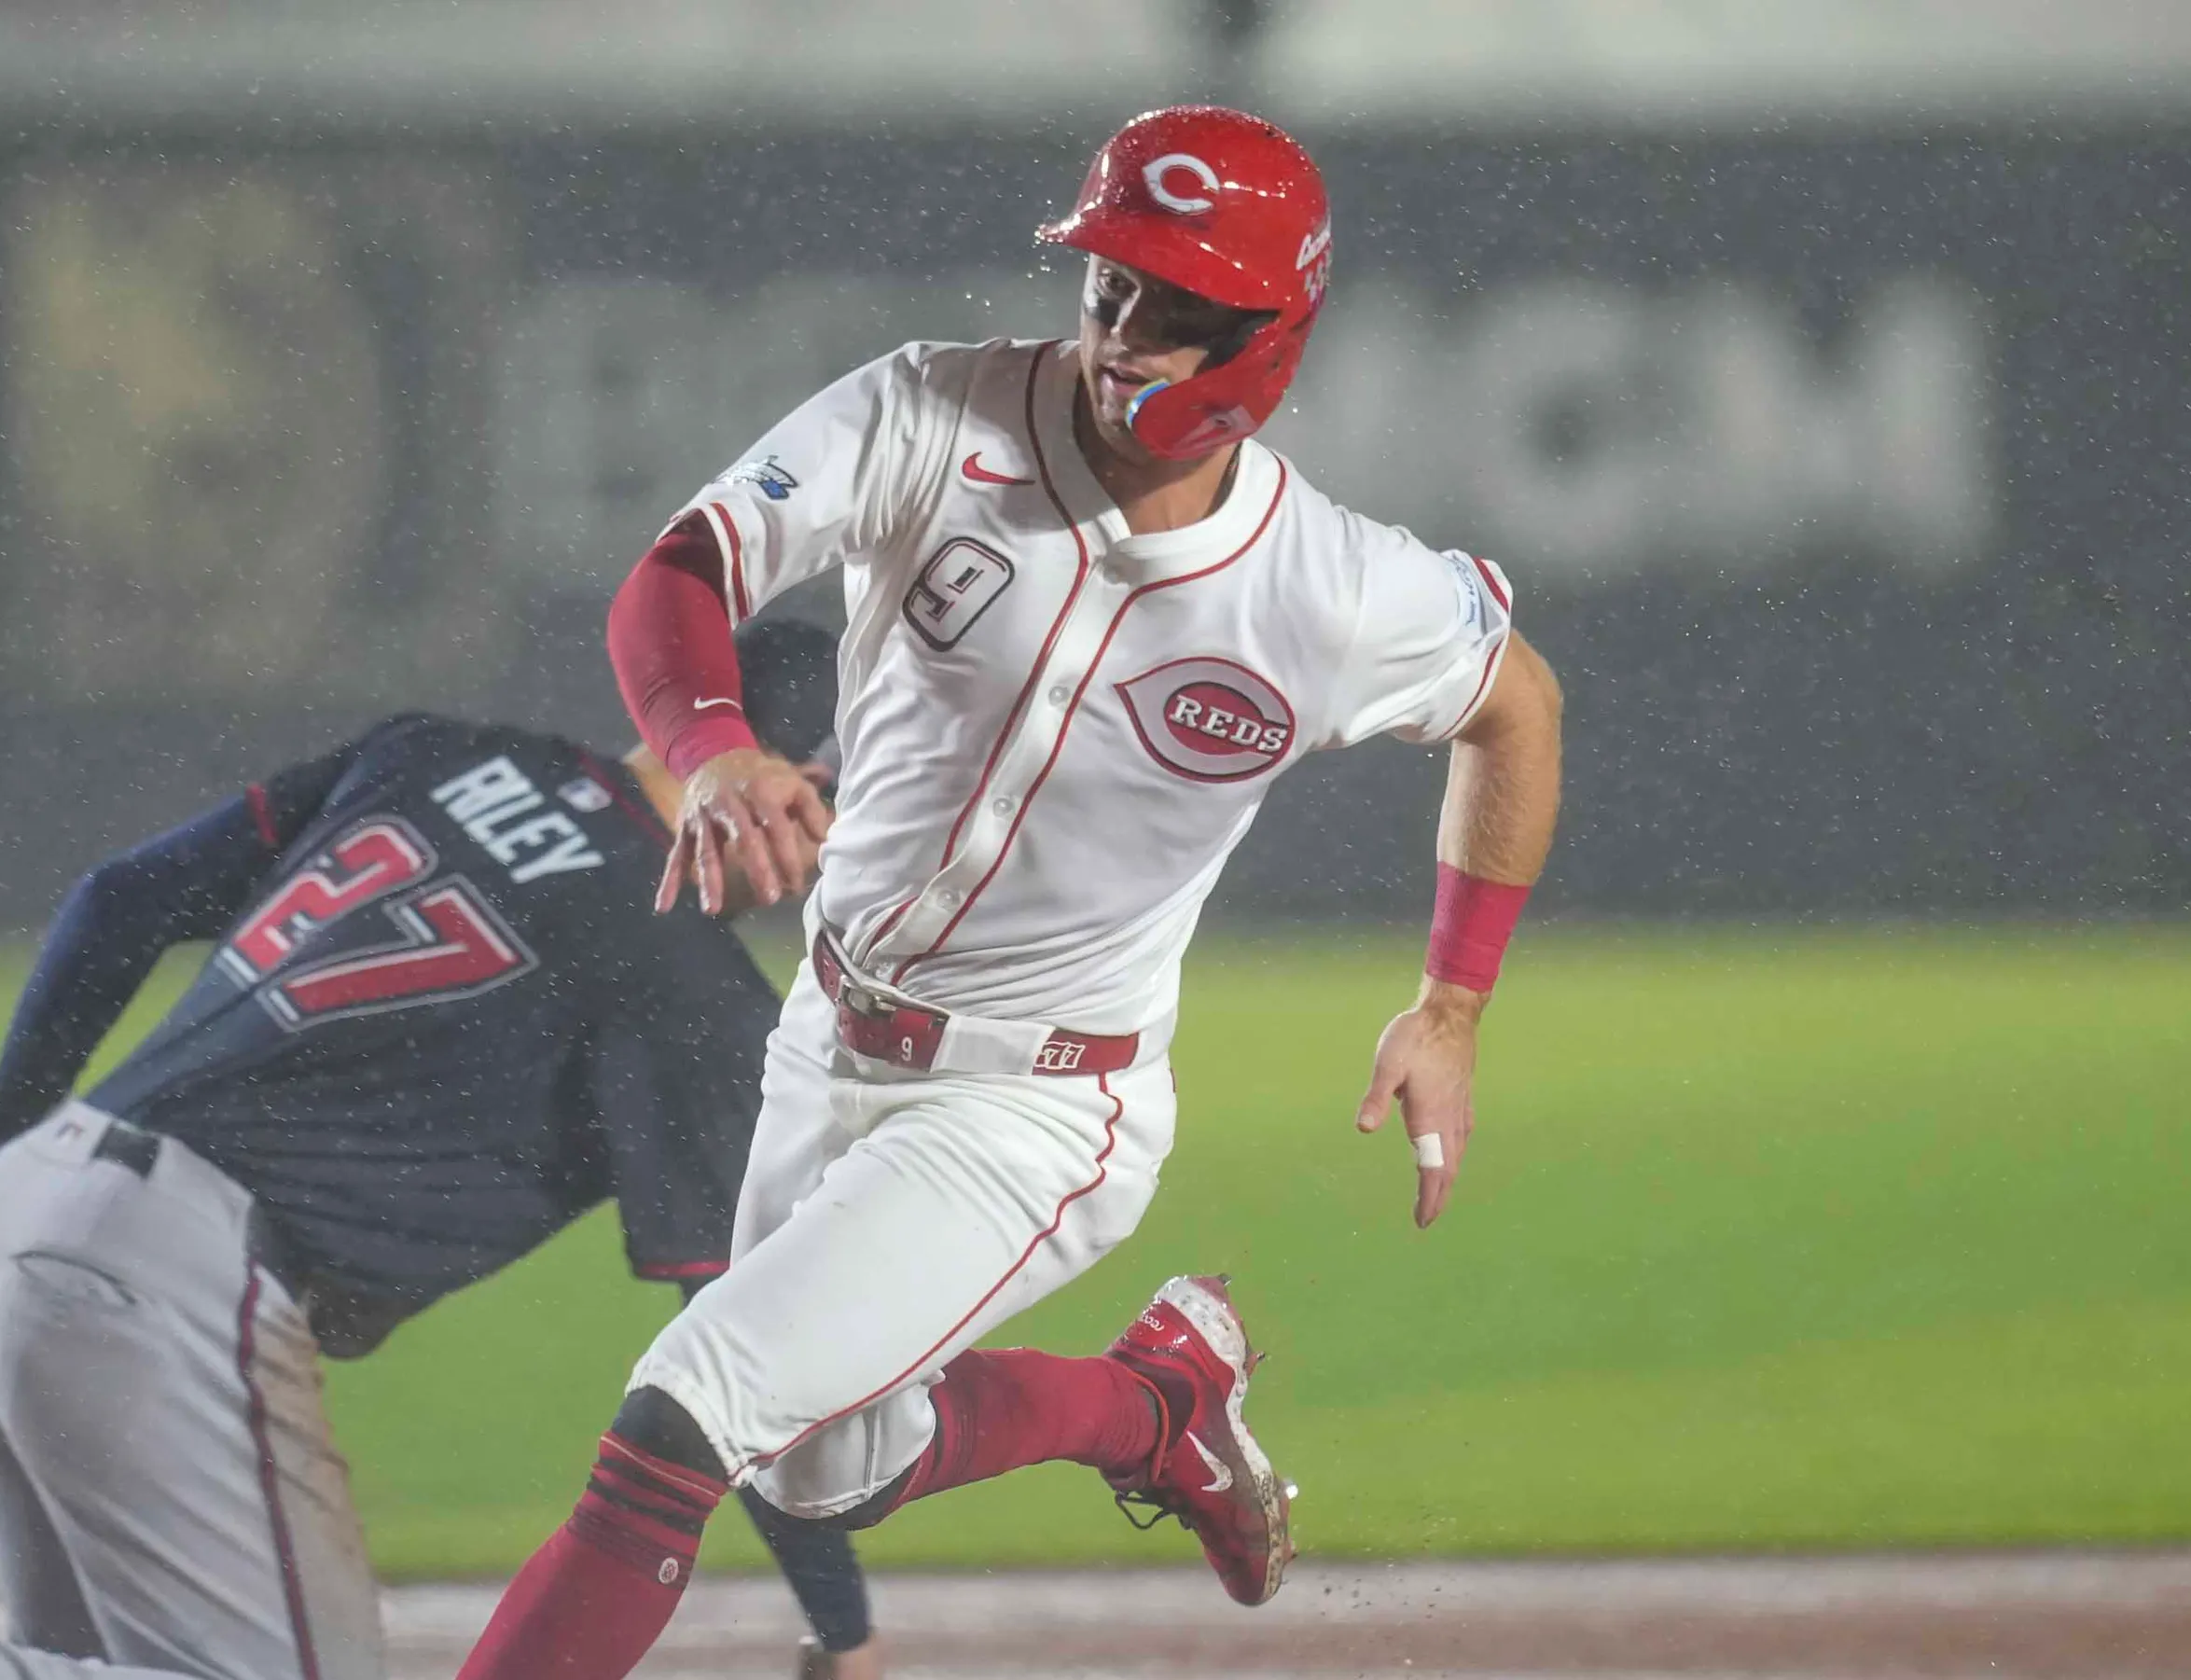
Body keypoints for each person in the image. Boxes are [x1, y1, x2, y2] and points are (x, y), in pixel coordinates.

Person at [451, 105, 1569, 1680]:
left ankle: (1151, 1401)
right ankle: (1154, 1405)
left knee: (681, 1419)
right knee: (817, 1469)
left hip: (1040, 1104)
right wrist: (705, 748)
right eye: (1111, 284)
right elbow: (687, 564)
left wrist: (1453, 1002)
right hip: (826, 1040)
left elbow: (1516, 707)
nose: (1123, 335)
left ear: (1267, 337)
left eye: (1176, 309)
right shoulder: (930, 410)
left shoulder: (1334, 589)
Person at [0, 618, 886, 1680]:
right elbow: (734, 1338)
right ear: (797, 778)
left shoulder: (434, 754)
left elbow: (118, 901)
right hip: (164, 1285)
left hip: (15, 1208)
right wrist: (842, 1627)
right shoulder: (683, 981)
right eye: (849, 809)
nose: (836, 856)